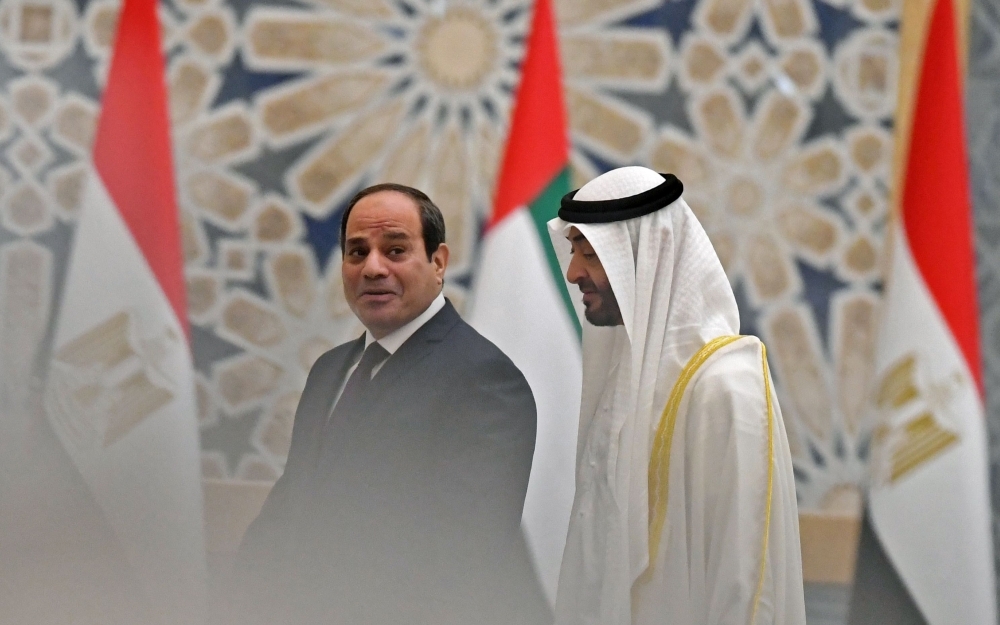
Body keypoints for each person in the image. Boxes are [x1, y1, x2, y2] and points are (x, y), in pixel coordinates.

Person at [233, 183, 549, 625]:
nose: (373, 268)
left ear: (438, 262)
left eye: (396, 250)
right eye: (357, 252)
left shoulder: (484, 379)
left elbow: (464, 556)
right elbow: (292, 505)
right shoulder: (330, 370)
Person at [547, 166, 806, 625]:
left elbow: (747, 581)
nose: (572, 273)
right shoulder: (625, 377)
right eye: (574, 251)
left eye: (590, 254)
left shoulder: (726, 387)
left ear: (647, 257)